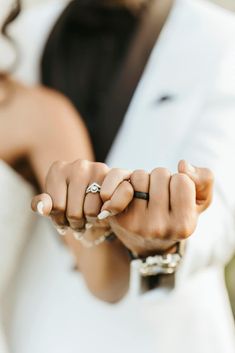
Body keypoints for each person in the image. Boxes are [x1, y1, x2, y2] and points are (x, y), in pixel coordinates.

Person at [2, 0, 235, 352]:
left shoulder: (221, 40)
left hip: (164, 339)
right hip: (38, 332)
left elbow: (222, 207)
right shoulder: (23, 28)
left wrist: (165, 246)